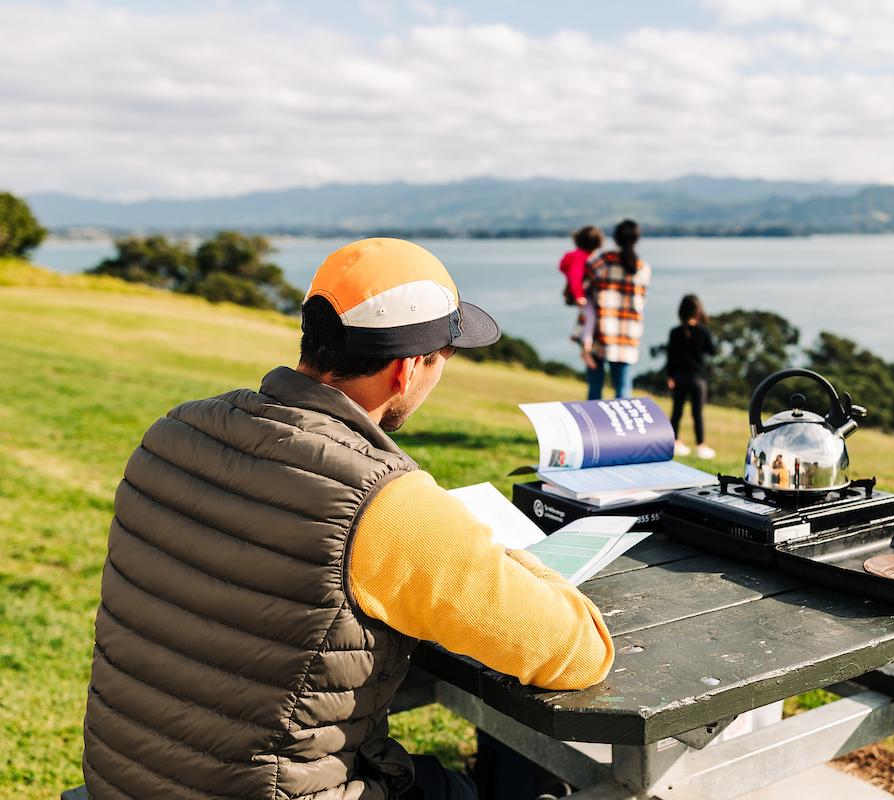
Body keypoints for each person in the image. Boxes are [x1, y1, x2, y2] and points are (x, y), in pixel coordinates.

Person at [81, 238, 614, 800]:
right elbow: (579, 652)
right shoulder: (386, 506)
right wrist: (502, 556)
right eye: (444, 357)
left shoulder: (173, 431)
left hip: (125, 779)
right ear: (408, 369)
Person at [584, 219, 650, 399]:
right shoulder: (642, 268)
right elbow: (641, 302)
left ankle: (594, 427)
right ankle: (621, 428)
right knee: (623, 388)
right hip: (628, 334)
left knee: (595, 386)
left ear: (616, 237)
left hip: (600, 331)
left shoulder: (603, 261)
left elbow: (582, 289)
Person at [666, 294, 716, 459]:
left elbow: (670, 356)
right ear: (698, 311)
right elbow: (712, 350)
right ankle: (700, 445)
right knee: (698, 413)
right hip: (697, 378)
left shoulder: (675, 332)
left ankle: (674, 442)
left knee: (676, 412)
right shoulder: (703, 331)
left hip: (679, 377)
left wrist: (670, 376)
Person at [559, 225, 604, 369]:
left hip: (578, 293)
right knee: (590, 317)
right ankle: (586, 350)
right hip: (579, 294)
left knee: (586, 316)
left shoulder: (576, 255)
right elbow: (575, 276)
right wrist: (579, 295)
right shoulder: (580, 257)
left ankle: (583, 344)